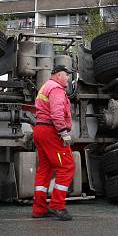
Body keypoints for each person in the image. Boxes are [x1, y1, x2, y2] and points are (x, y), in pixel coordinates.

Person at [31, 64, 75, 221]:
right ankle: (58, 205)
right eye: (66, 75)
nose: (68, 78)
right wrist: (63, 132)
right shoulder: (56, 89)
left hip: (40, 130)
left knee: (45, 169)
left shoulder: (45, 87)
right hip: (51, 132)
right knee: (66, 166)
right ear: (58, 75)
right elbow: (56, 113)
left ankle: (39, 208)